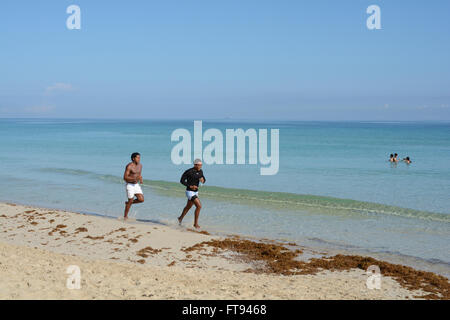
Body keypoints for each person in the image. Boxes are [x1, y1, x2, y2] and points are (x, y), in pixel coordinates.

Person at [178, 158, 206, 229]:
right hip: (189, 192)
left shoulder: (200, 171)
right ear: (195, 165)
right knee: (199, 206)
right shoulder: (188, 171)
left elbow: (203, 179)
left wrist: (203, 180)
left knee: (188, 207)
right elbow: (182, 181)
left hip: (196, 192)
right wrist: (190, 186)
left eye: (201, 165)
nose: (200, 167)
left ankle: (180, 218)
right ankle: (195, 224)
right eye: (199, 165)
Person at [123, 152, 144, 220]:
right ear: (133, 158)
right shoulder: (129, 166)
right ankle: (125, 216)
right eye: (137, 158)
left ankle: (128, 203)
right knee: (131, 199)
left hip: (136, 185)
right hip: (129, 185)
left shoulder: (140, 166)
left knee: (141, 199)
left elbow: (139, 174)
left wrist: (140, 178)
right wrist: (135, 178)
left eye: (139, 158)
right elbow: (125, 177)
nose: (139, 159)